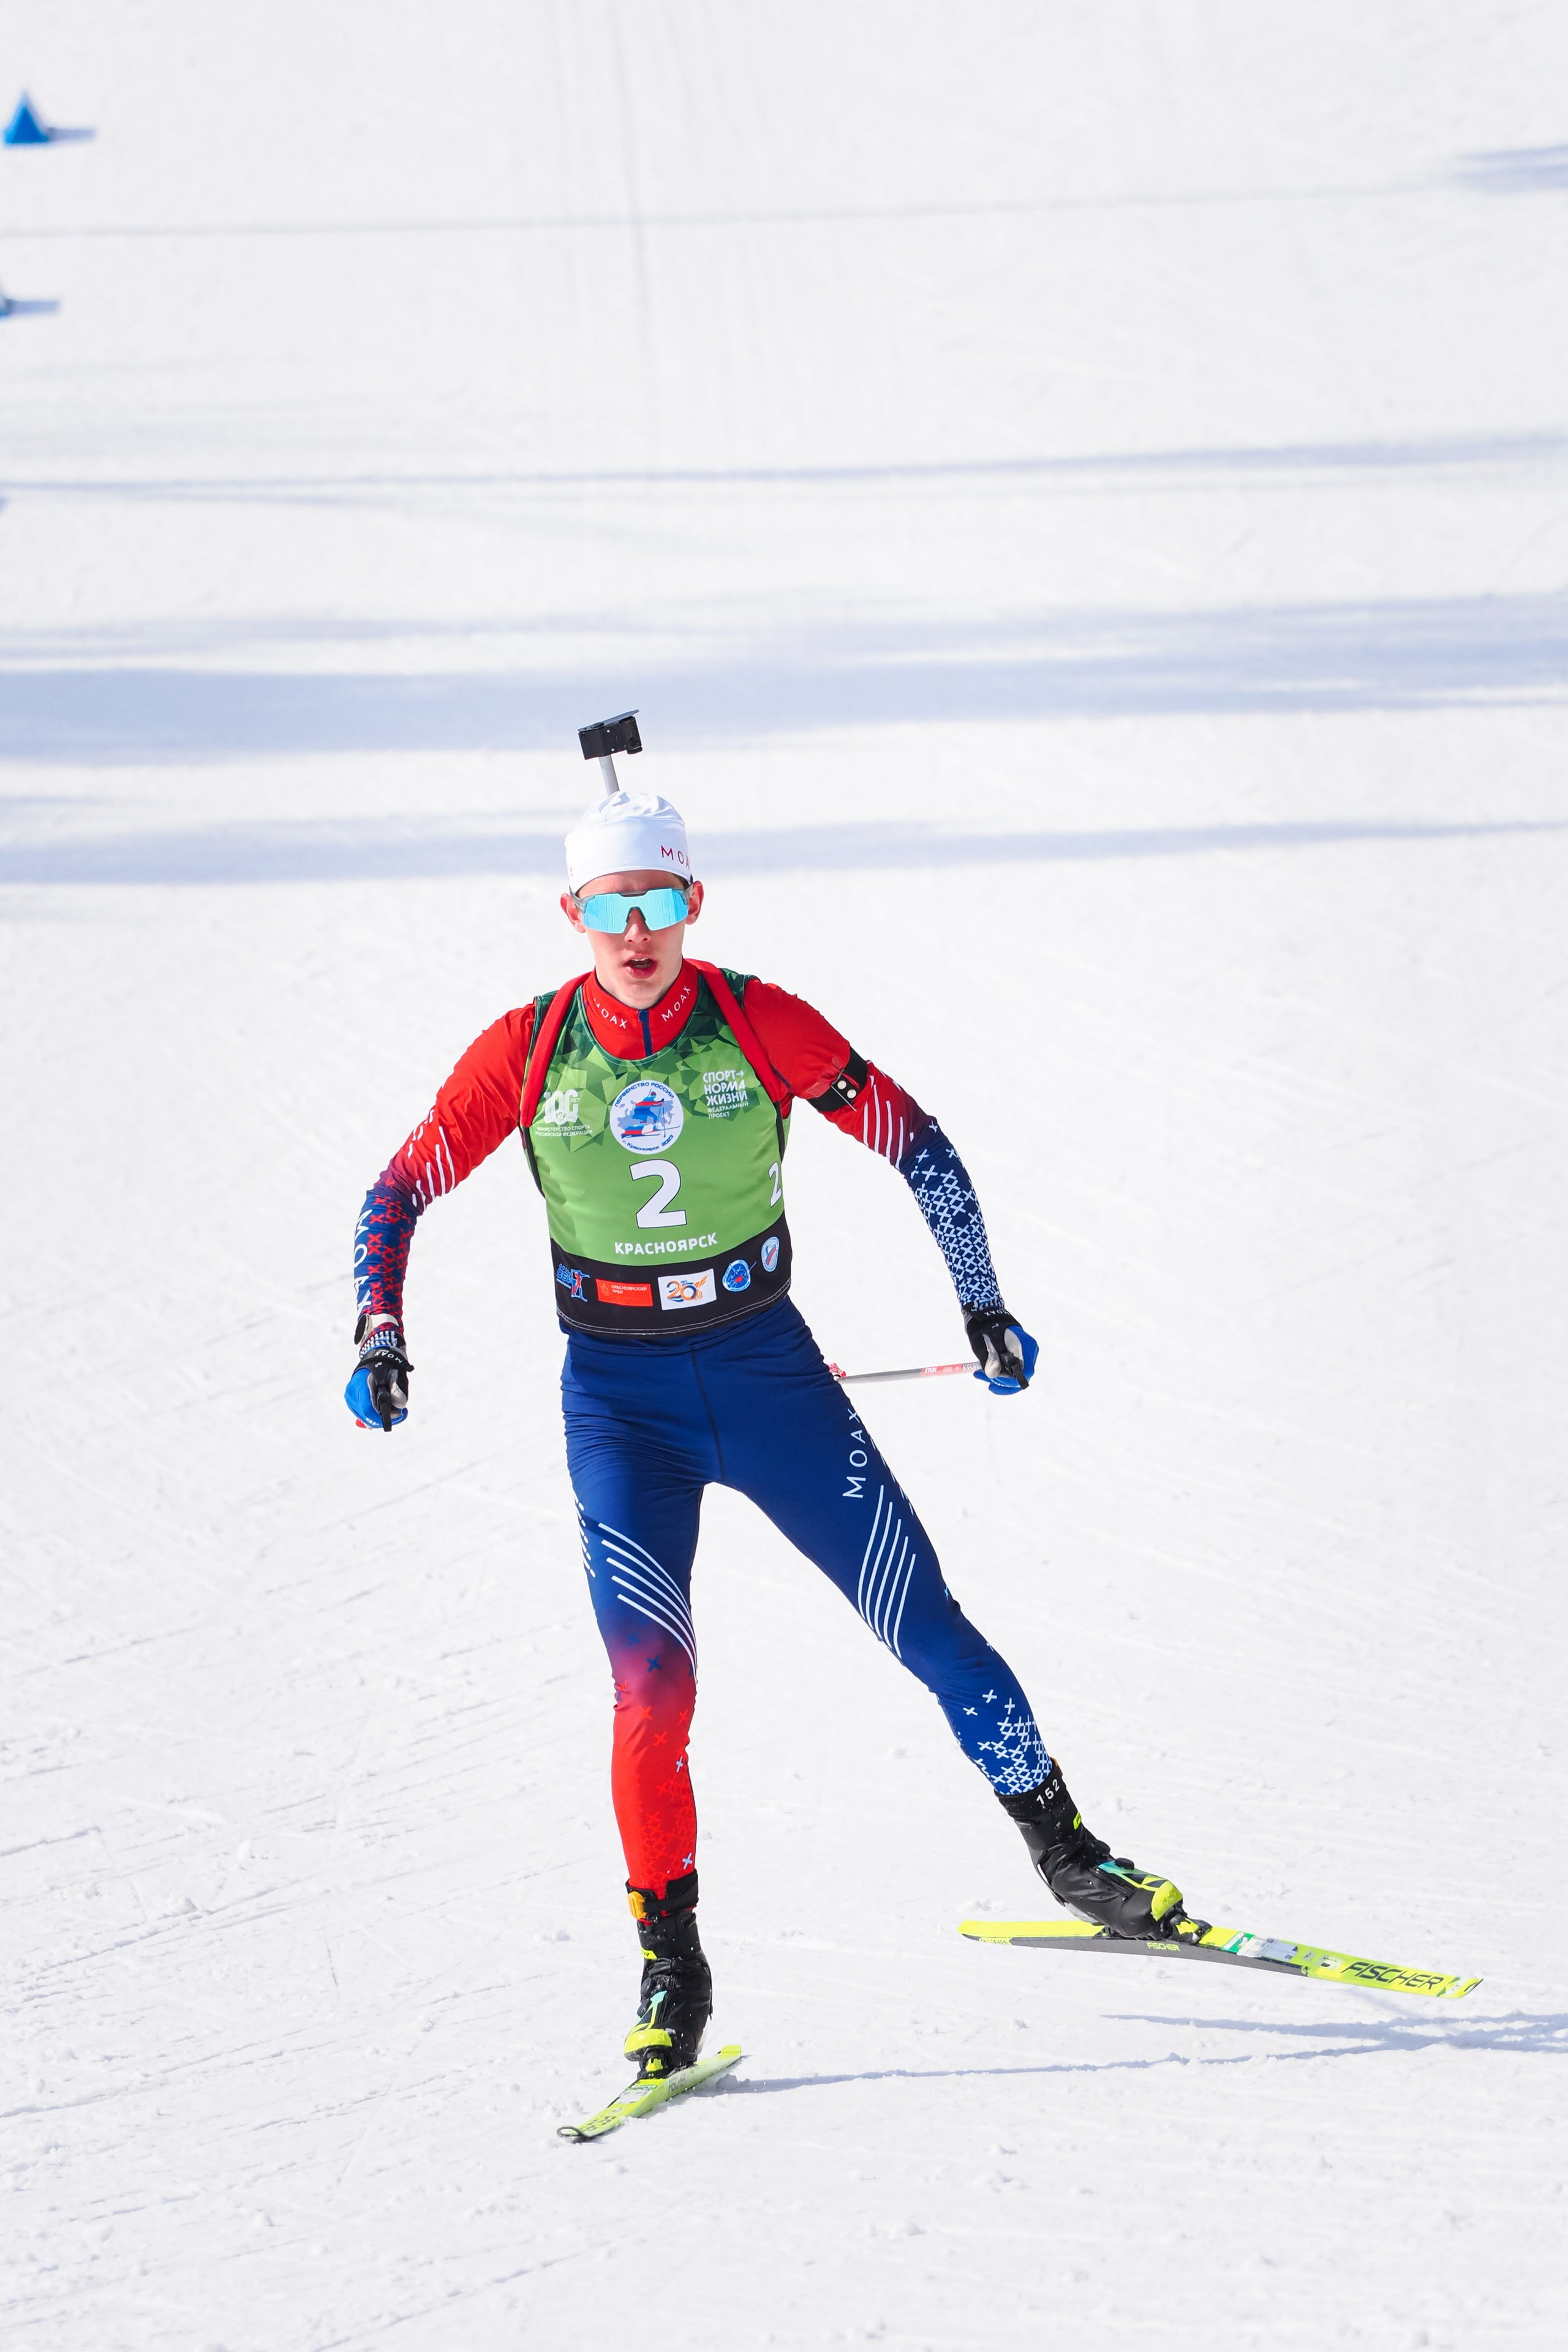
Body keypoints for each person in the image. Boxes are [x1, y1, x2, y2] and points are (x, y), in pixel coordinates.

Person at [347, 779, 1190, 2083]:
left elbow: (918, 1143)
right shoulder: (528, 1047)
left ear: (694, 902)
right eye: (613, 905)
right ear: (573, 912)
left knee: (930, 1627)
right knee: (651, 1688)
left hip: (766, 1376)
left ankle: (1071, 1856)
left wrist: (979, 1302)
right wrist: (377, 1331)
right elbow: (399, 1185)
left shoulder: (755, 1018)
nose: (639, 930)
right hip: (622, 1408)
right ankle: (669, 1968)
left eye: (663, 900)